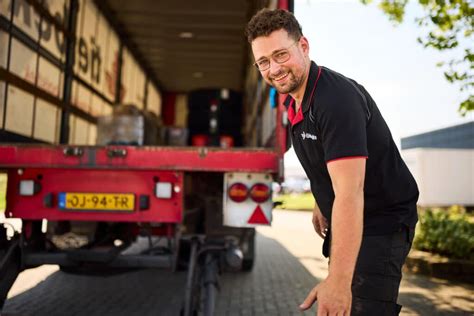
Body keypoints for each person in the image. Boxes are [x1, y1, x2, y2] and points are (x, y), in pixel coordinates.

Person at [246, 8, 419, 316]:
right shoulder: (294, 101)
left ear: (304, 46)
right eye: (263, 62)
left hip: (381, 224)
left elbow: (351, 193)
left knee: (354, 307)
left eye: (281, 55)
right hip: (353, 222)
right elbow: (327, 163)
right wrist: (320, 200)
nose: (274, 69)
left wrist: (338, 281)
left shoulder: (336, 100)